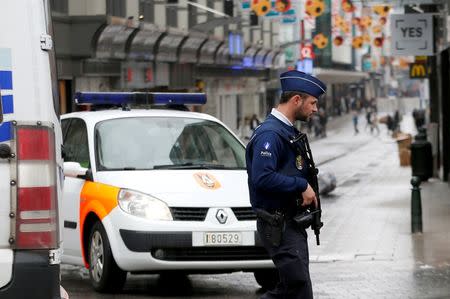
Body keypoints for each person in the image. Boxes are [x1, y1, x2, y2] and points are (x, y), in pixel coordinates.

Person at [246, 70, 326, 299]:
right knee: (298, 287)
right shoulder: (270, 135)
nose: (315, 109)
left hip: (291, 224)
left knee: (292, 288)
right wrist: (301, 185)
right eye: (312, 103)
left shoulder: (285, 131)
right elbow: (262, 177)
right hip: (279, 224)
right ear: (296, 100)